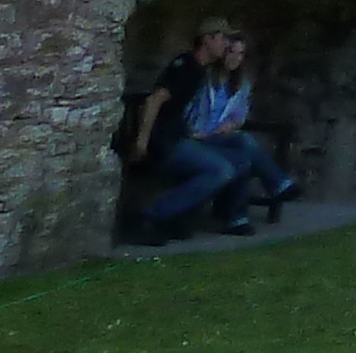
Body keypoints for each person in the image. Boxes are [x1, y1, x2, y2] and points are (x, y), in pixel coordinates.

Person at [127, 25, 299, 243]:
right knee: (224, 166)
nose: (229, 49)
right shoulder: (193, 70)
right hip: (178, 140)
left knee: (242, 158)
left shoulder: (223, 77)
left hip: (196, 138)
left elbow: (238, 114)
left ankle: (236, 216)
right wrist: (141, 141)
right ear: (207, 40)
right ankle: (152, 215)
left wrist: (230, 125)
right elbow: (155, 102)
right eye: (225, 43)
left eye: (239, 52)